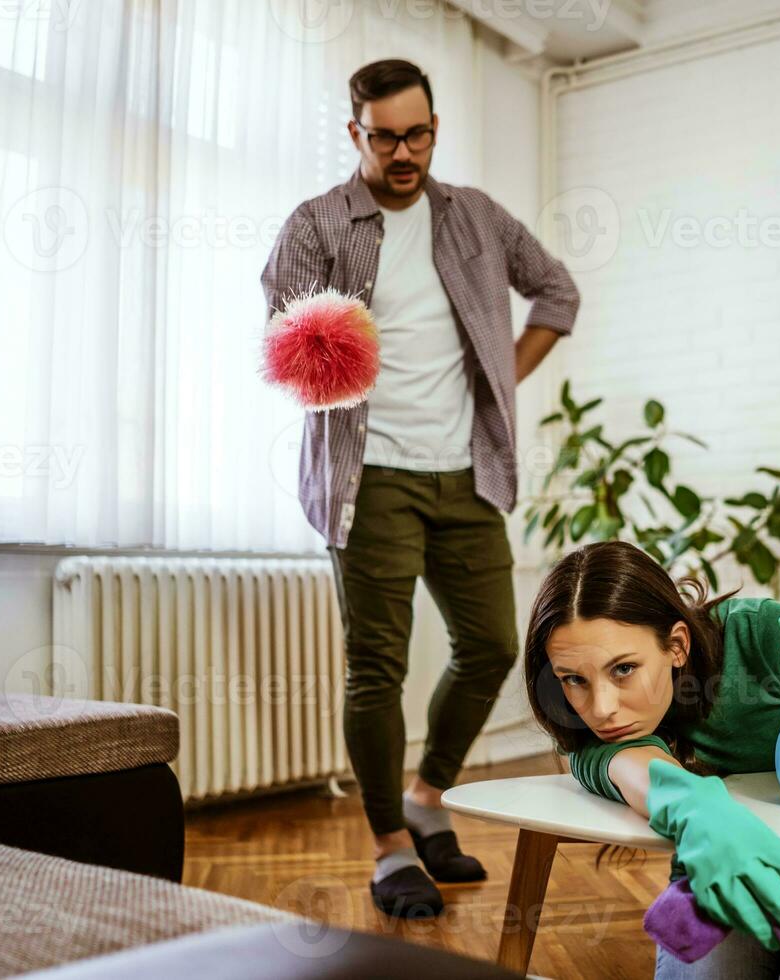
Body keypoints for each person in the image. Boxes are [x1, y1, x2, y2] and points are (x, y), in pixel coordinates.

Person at [260, 58, 580, 919]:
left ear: (435, 126)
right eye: (387, 135)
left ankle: (428, 797)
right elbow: (287, 345)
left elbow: (557, 293)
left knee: (493, 646)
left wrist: (502, 383)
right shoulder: (318, 224)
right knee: (379, 665)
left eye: (421, 133)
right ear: (354, 131)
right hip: (370, 479)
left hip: (466, 473)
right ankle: (390, 845)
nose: (406, 152)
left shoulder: (475, 215)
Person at [523, 541, 780, 978]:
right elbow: (634, 766)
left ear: (676, 645)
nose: (601, 708)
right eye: (574, 679)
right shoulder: (581, 716)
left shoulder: (764, 637)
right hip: (717, 874)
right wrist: (695, 810)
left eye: (624, 669)